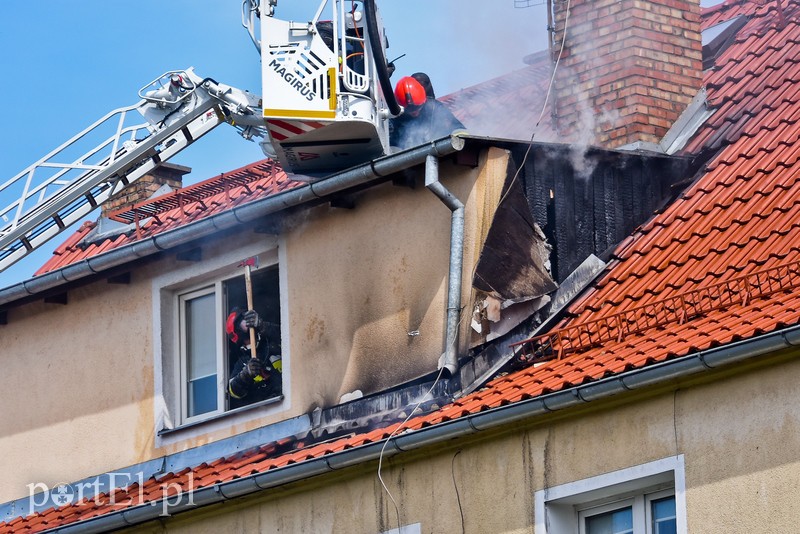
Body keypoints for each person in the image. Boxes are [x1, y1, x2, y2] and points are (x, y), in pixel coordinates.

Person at [389, 74, 465, 149]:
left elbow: (458, 129)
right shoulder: (394, 116)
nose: (414, 112)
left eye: (418, 107)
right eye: (409, 109)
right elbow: (390, 144)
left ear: (424, 99)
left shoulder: (435, 107)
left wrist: (462, 140)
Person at [226, 308, 282, 405]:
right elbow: (233, 391)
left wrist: (264, 326)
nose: (247, 323)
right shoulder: (242, 363)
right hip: (269, 410)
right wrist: (245, 374)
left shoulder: (272, 342)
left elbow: (292, 335)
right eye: (242, 322)